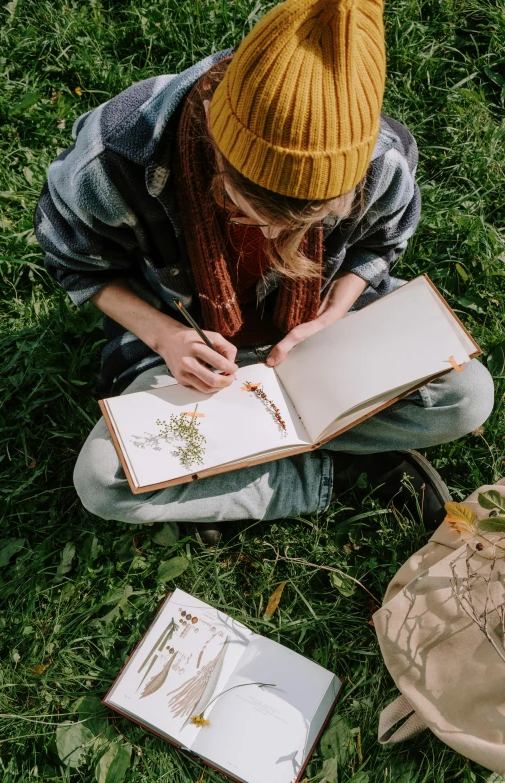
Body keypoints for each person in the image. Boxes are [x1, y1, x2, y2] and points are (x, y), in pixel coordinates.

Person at [34, 0, 494, 544]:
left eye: (312, 222)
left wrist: (333, 315)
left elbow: (381, 243)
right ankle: (342, 471)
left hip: (318, 334)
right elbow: (74, 261)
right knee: (103, 481)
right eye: (245, 211)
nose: (274, 240)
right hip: (188, 344)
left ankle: (228, 474)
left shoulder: (380, 160)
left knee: (466, 396)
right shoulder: (116, 154)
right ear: (212, 137)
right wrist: (167, 337)